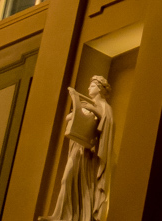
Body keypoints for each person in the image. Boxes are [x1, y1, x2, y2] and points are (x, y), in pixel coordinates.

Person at [48, 76, 114, 221]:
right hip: (78, 148)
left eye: (92, 86)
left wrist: (92, 110)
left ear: (100, 89)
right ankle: (61, 215)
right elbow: (69, 117)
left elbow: (106, 125)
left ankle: (83, 216)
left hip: (90, 155)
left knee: (84, 186)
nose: (89, 88)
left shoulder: (104, 107)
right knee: (66, 179)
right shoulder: (89, 103)